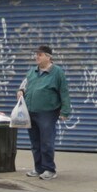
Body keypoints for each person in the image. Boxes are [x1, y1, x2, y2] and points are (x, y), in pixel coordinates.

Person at [16, 44, 70, 180]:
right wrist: (20, 90)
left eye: (40, 55)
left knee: (46, 142)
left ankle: (49, 169)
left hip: (48, 112)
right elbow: (24, 84)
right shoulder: (32, 71)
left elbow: (64, 92)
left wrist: (65, 111)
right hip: (31, 111)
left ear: (48, 57)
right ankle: (38, 168)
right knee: (35, 142)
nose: (36, 57)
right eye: (36, 54)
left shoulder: (57, 72)